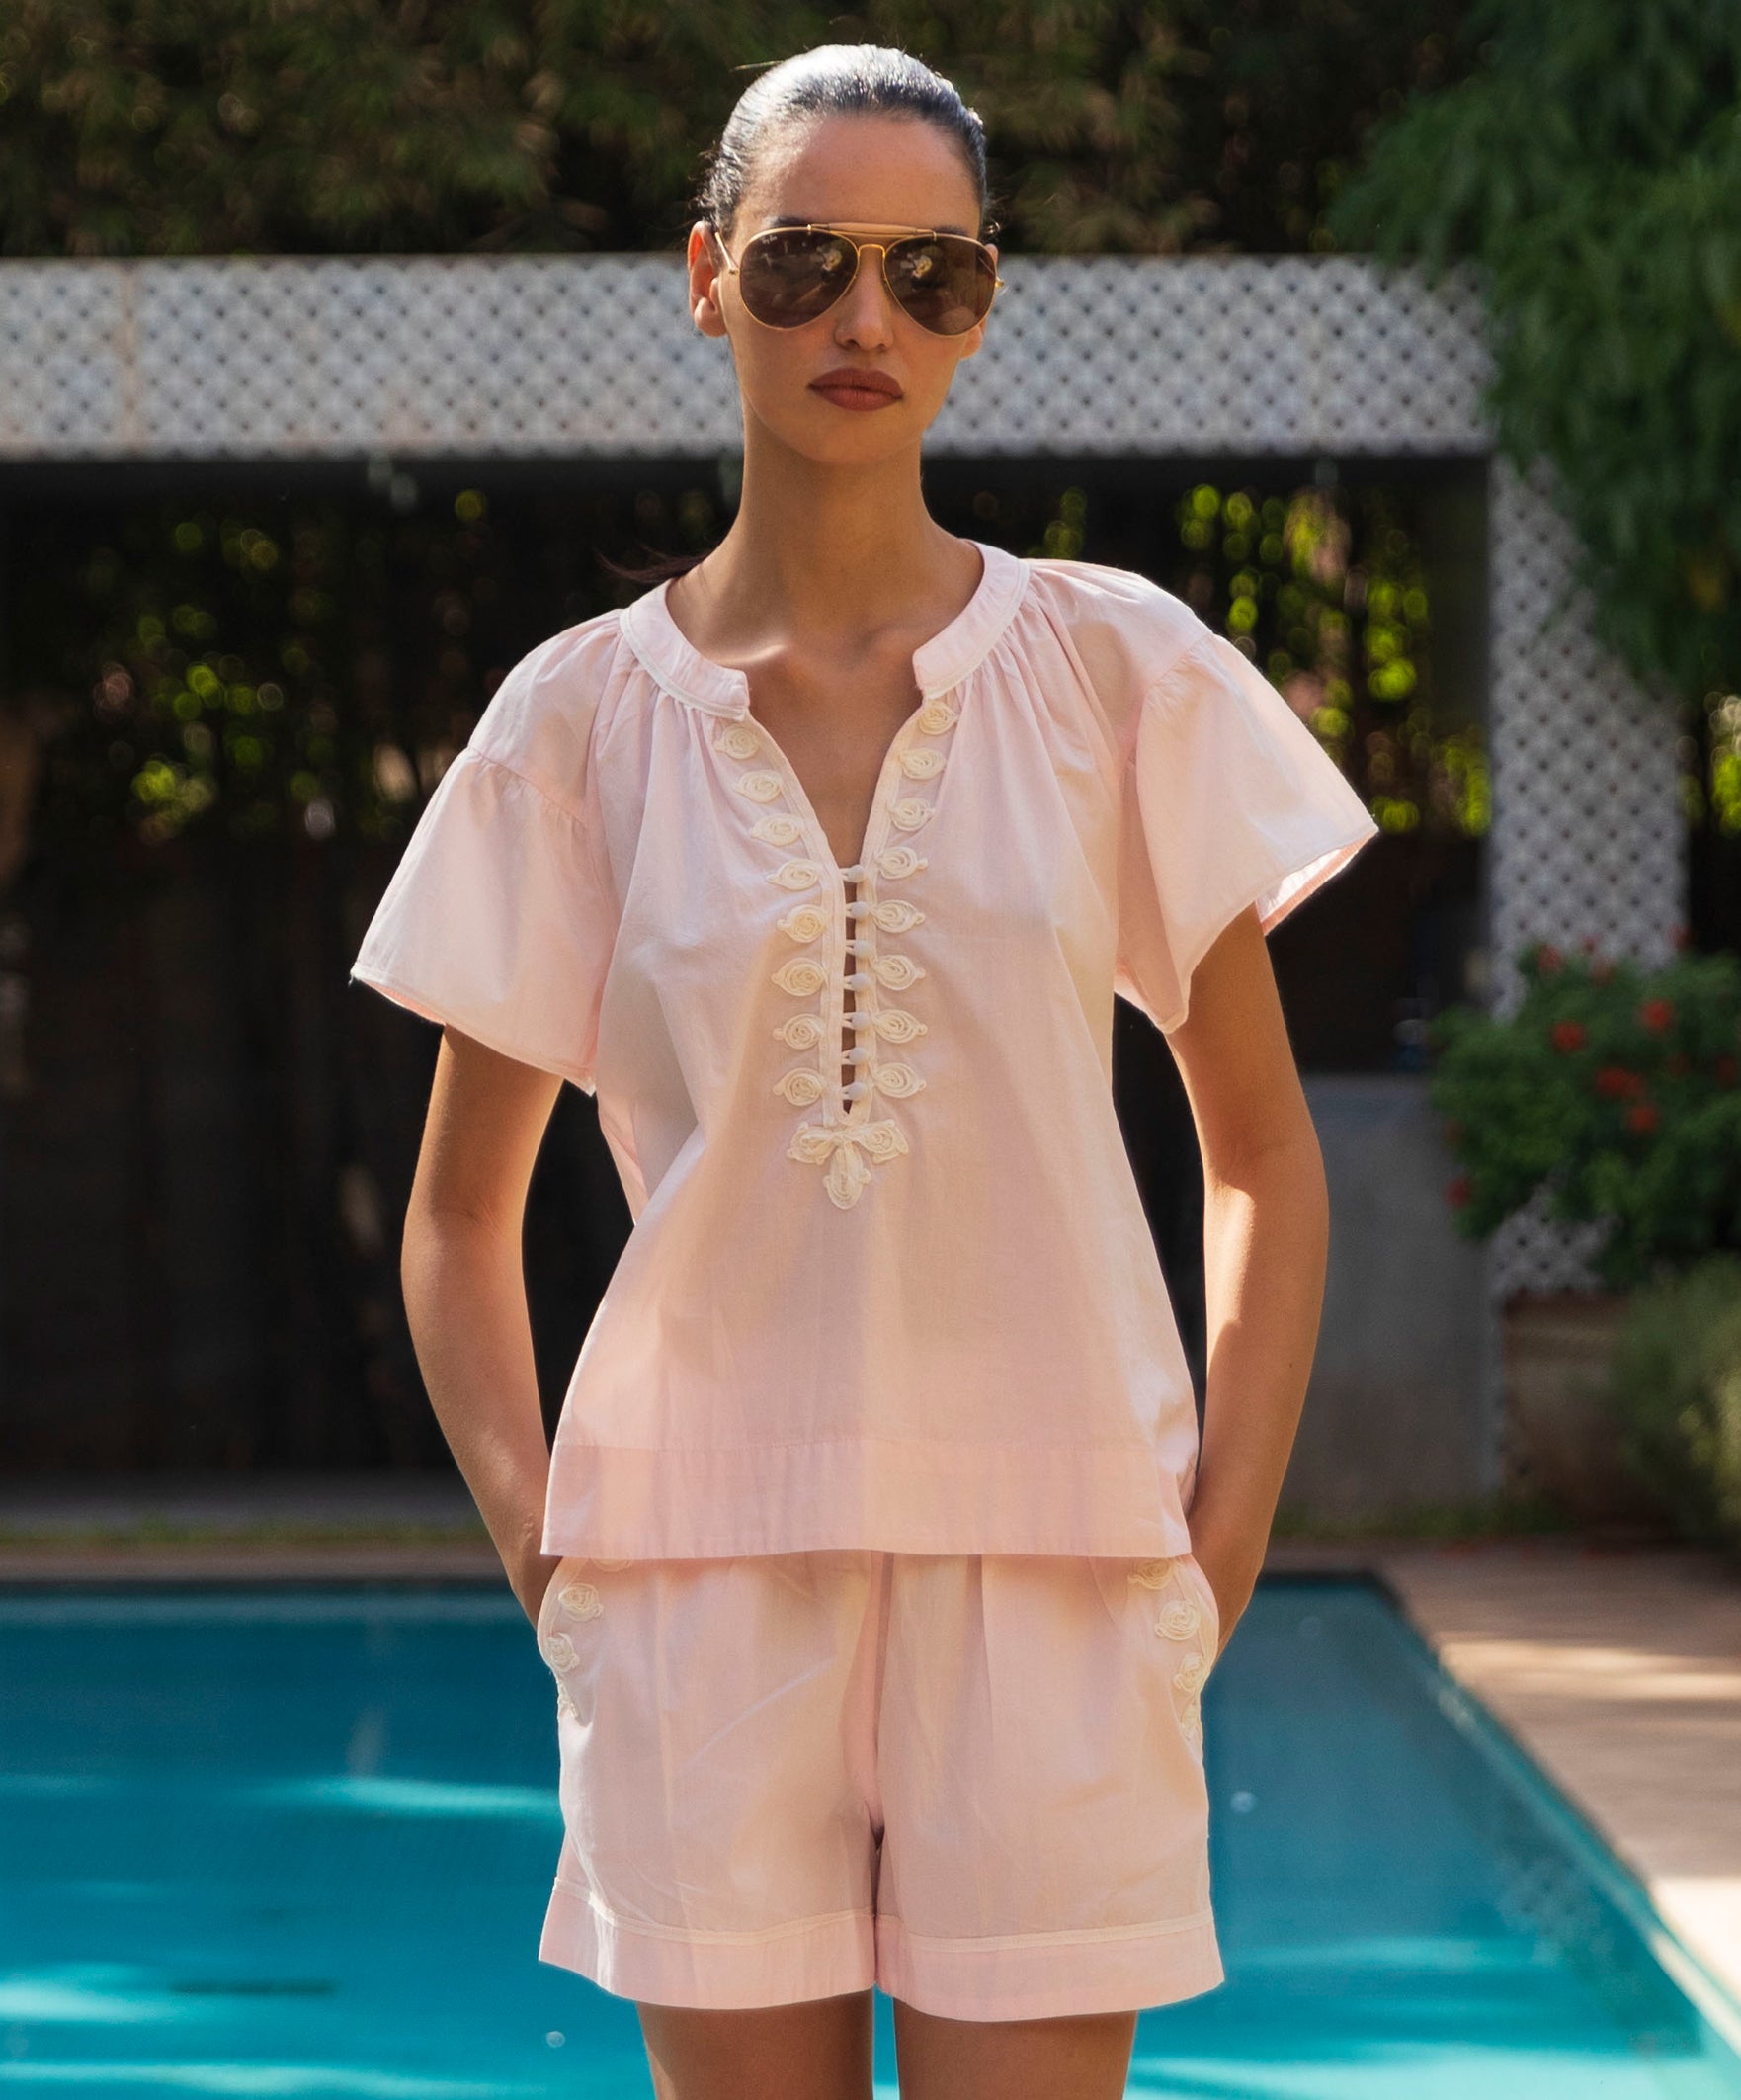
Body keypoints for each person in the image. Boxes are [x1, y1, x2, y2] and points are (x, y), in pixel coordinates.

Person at [349, 40, 1380, 2100]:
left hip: (1065, 1562)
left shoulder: (1116, 674)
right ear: (707, 274)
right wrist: (547, 1560)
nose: (866, 321)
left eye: (934, 276)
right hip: (689, 1579)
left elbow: (1256, 1148)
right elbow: (457, 1216)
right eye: (810, 260)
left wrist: (1221, 1546)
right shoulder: (571, 725)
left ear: (981, 302)